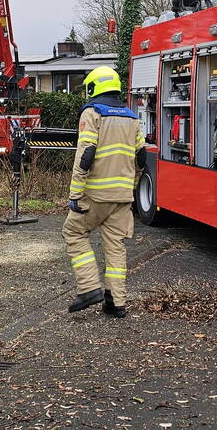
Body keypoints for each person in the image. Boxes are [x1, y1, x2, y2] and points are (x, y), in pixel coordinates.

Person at [62, 66, 146, 318]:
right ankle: (116, 303)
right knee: (116, 247)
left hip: (95, 195)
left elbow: (85, 154)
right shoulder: (131, 117)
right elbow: (141, 157)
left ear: (94, 87)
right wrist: (130, 186)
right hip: (122, 197)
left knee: (74, 232)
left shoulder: (92, 113)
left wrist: (75, 194)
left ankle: (89, 288)